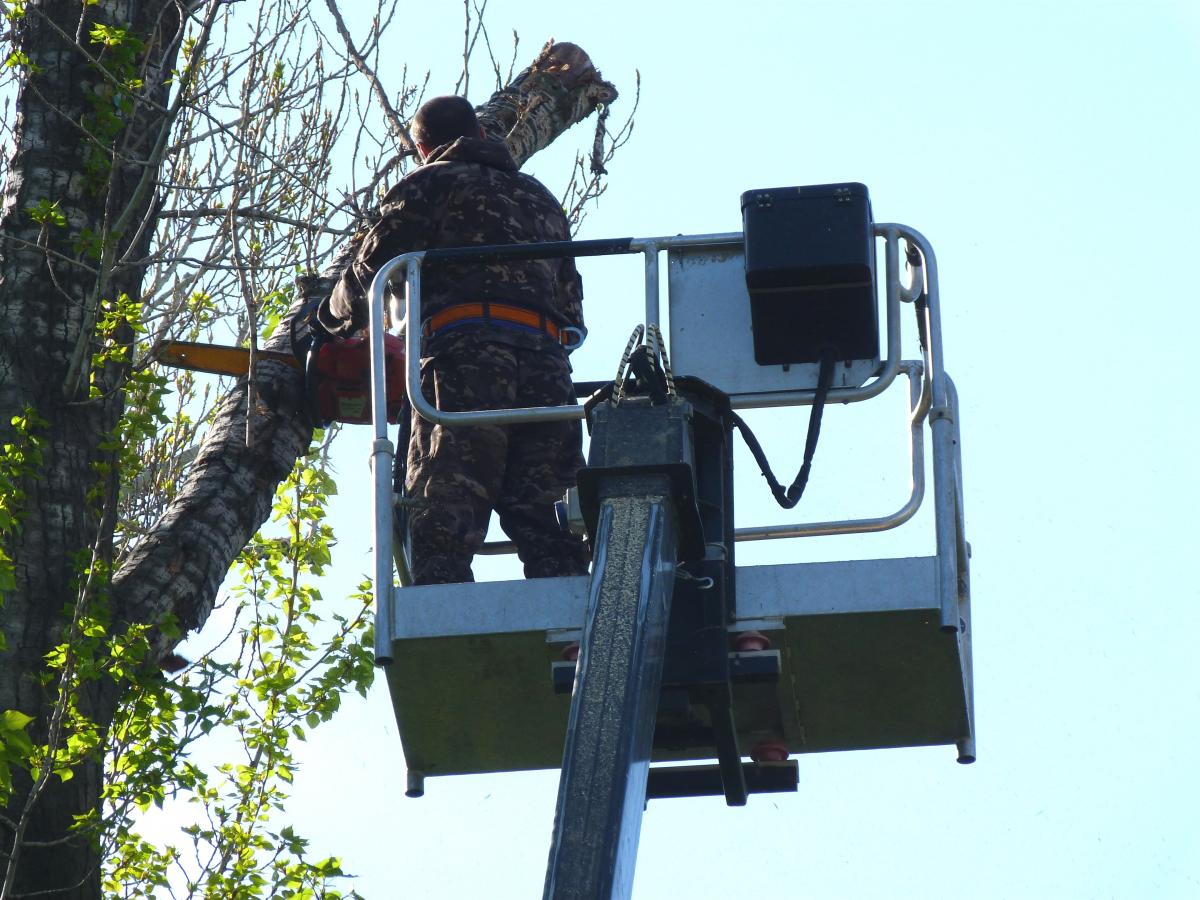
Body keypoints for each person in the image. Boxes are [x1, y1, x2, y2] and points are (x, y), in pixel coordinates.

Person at [319, 95, 591, 585]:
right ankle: (572, 627)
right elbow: (572, 306)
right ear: (484, 136)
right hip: (548, 366)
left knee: (446, 504)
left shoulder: (428, 184)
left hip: (466, 361)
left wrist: (329, 322)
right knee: (551, 517)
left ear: (422, 149)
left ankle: (443, 614)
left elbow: (371, 268)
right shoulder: (540, 197)